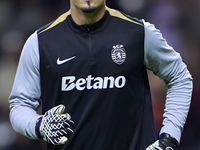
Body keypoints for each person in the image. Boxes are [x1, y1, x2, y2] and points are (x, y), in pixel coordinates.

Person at [9, 0, 193, 150]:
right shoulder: (40, 42)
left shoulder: (139, 33)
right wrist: (39, 125)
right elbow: (19, 105)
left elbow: (180, 78)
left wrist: (168, 138)